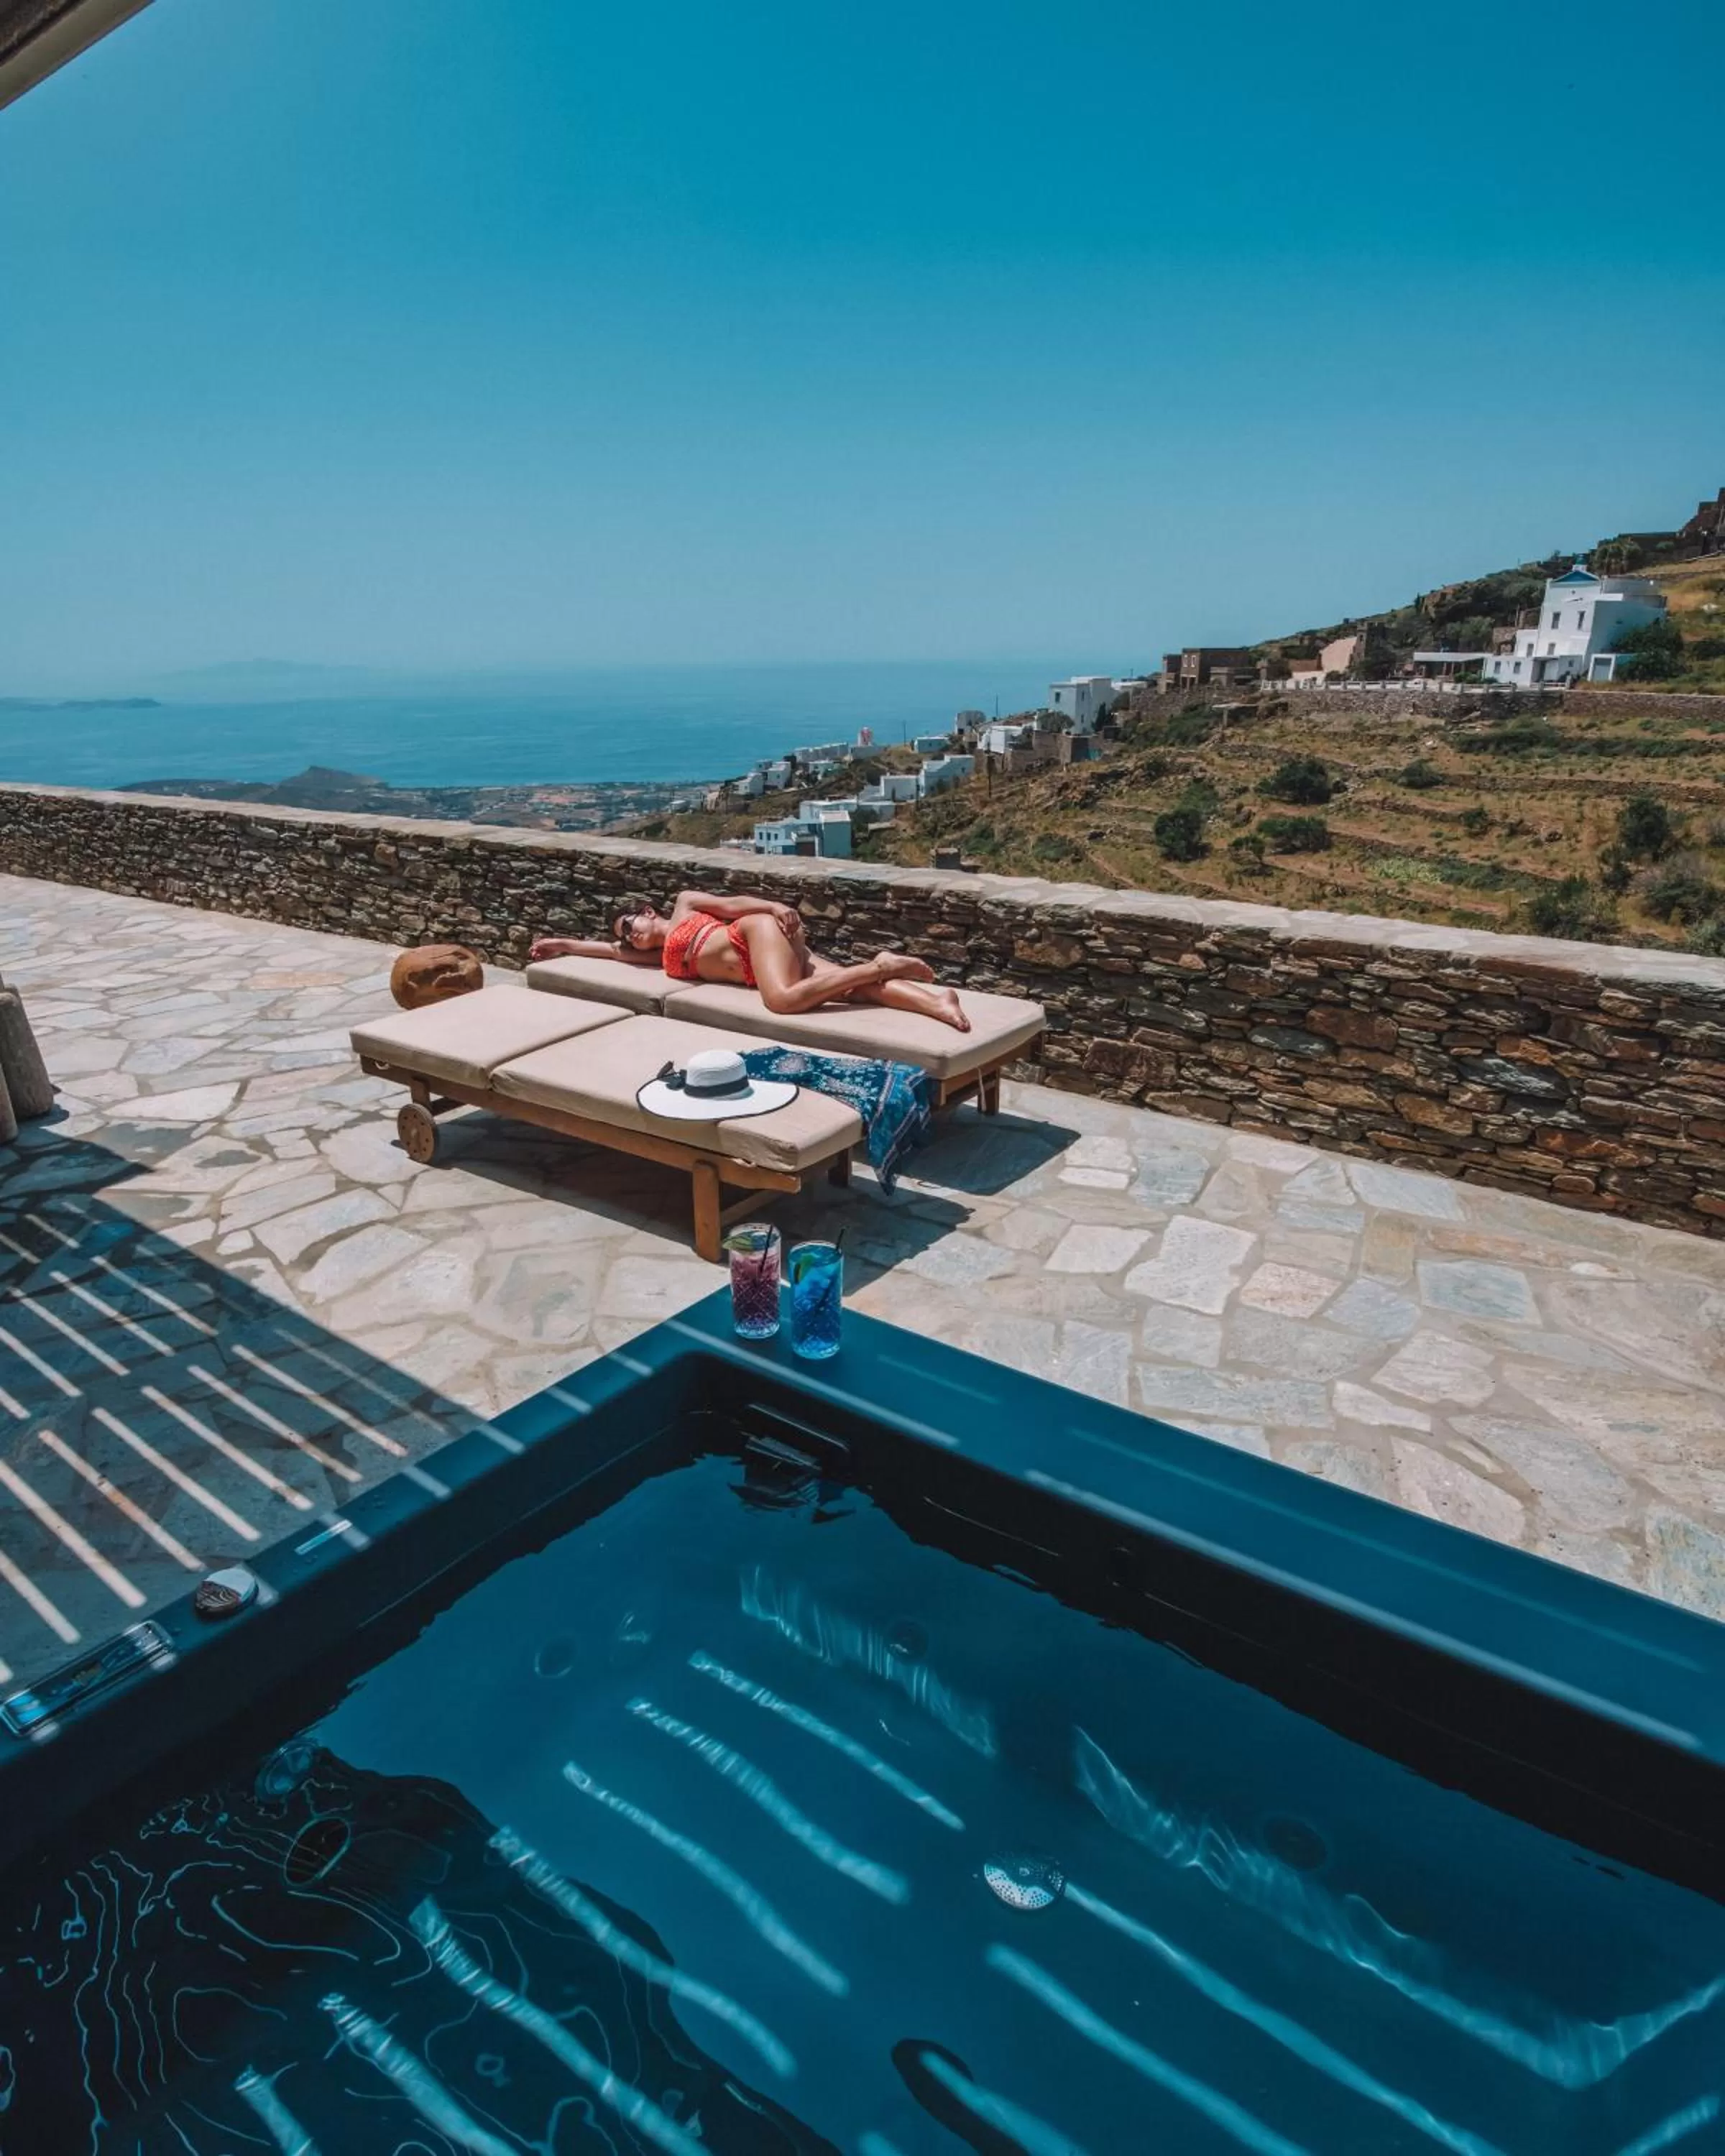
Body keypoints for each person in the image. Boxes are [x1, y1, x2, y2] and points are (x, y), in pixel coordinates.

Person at [529, 888, 971, 1031]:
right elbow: (606, 951)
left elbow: (732, 905)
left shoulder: (684, 905)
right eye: (626, 936)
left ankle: (882, 964)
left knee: (782, 1001)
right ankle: (937, 1002)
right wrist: (561, 944)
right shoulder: (656, 958)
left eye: (630, 924)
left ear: (646, 911)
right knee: (853, 991)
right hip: (766, 962)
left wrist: (774, 907)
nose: (631, 936)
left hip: (756, 932)